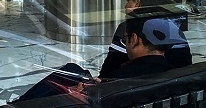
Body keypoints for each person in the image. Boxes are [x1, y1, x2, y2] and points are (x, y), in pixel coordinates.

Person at [14, 14, 184, 102]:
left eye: (125, 40)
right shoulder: (178, 74)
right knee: (74, 72)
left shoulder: (115, 84)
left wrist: (84, 90)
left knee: (71, 73)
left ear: (135, 40)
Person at [99, 0, 192, 77]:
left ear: (137, 2)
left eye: (128, 1)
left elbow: (109, 69)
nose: (126, 6)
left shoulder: (129, 28)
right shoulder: (171, 26)